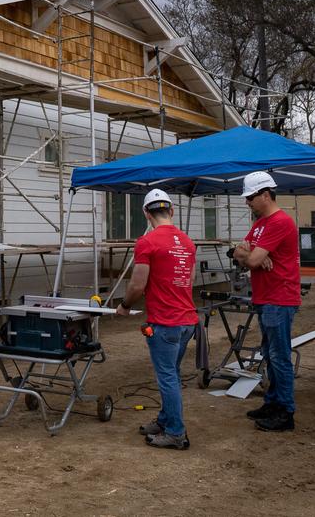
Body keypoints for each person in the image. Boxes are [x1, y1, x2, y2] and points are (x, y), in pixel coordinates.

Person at [116, 189, 198, 450]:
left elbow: (138, 284)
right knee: (172, 373)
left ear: (146, 213)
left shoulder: (147, 242)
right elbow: (190, 281)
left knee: (167, 377)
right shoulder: (187, 242)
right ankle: (165, 420)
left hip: (165, 322)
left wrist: (125, 305)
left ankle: (176, 432)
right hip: (186, 321)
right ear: (171, 211)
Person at [230, 171, 301, 432]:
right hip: (267, 297)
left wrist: (251, 255)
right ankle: (273, 401)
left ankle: (285, 411)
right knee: (270, 354)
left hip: (279, 298)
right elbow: (238, 250)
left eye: (250, 197)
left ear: (265, 195)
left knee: (279, 356)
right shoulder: (261, 224)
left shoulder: (278, 223)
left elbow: (250, 260)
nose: (247, 202)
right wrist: (248, 253)